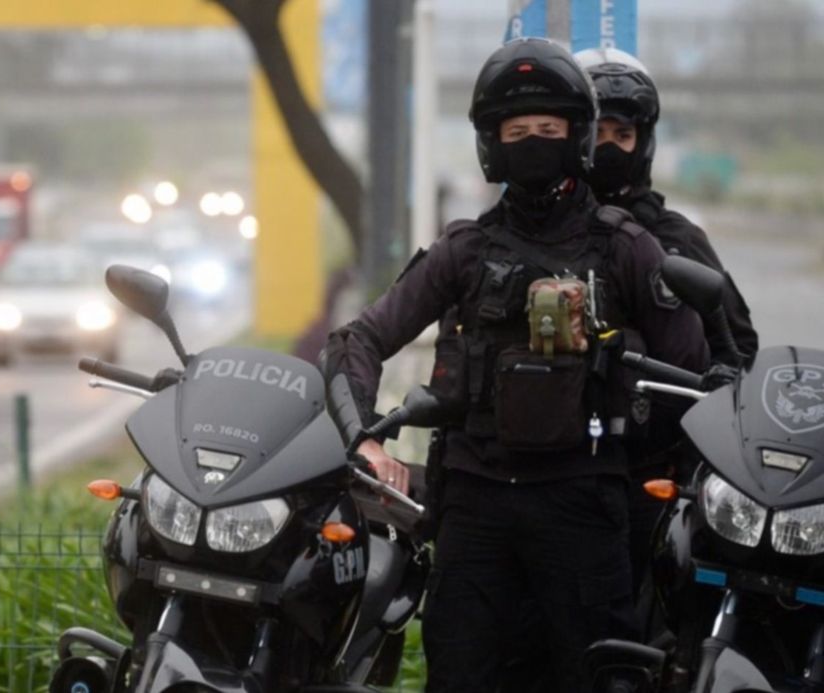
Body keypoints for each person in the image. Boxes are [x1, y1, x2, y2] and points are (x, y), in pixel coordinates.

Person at [321, 38, 709, 693]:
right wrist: (363, 436)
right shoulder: (463, 251)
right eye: (518, 129)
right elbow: (355, 341)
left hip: (587, 512)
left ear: (577, 137)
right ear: (491, 143)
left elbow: (695, 376)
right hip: (474, 515)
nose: (533, 141)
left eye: (549, 128)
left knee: (596, 678)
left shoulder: (626, 249)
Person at [574, 47, 760, 595]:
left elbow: (740, 349)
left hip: (652, 470)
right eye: (597, 133)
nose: (608, 147)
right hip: (557, 474)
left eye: (621, 135)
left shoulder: (676, 239)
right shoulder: (544, 233)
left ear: (643, 142)